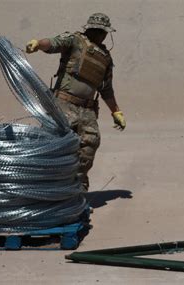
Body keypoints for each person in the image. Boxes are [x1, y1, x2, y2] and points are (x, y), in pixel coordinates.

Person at [25, 13, 125, 192]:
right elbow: (54, 43)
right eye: (96, 30)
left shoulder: (105, 58)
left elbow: (106, 89)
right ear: (89, 28)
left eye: (102, 31)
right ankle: (43, 191)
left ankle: (75, 195)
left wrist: (116, 112)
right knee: (53, 147)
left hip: (87, 111)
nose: (99, 34)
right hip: (63, 105)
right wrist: (38, 44)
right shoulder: (75, 41)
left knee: (89, 146)